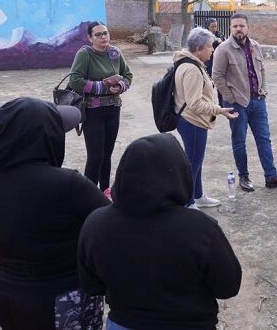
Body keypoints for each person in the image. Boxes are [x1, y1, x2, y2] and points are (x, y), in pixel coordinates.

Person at [78, 134, 243, 329]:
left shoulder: (96, 223)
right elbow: (228, 286)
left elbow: (91, 285)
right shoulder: (200, 228)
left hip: (124, 321)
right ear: (181, 173)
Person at [0, 97, 110, 329]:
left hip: (7, 292)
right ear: (46, 138)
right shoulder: (68, 184)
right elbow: (110, 221)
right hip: (61, 299)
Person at [212, 13, 277, 191]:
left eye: (242, 26)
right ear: (231, 28)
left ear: (247, 27)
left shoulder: (255, 46)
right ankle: (243, 177)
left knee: (264, 139)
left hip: (258, 101)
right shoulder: (223, 49)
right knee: (239, 141)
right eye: (235, 26)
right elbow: (217, 76)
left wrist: (264, 89)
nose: (238, 29)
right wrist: (230, 98)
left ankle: (271, 176)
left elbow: (261, 69)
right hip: (238, 104)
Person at [174, 27, 238, 208]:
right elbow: (194, 103)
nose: (212, 50)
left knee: (197, 160)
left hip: (194, 121)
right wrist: (220, 110)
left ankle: (198, 195)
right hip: (192, 122)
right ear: (199, 48)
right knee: (192, 164)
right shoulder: (191, 69)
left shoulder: (191, 63)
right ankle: (188, 203)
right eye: (210, 46)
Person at [68, 21, 133, 191]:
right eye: (98, 34)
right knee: (95, 157)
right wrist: (102, 87)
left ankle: (105, 192)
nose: (103, 37)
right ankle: (88, 194)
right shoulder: (84, 55)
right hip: (92, 111)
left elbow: (127, 75)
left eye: (105, 33)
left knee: (107, 155)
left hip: (113, 110)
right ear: (90, 38)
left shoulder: (115, 52)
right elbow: (74, 81)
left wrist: (119, 87)